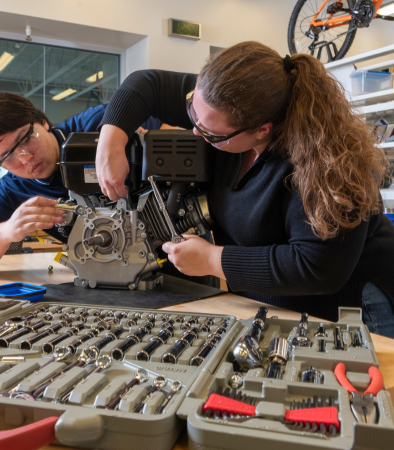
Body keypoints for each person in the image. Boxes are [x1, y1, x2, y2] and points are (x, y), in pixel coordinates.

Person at [94, 41, 394, 337]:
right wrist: (110, 142)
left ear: (262, 129)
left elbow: (317, 267)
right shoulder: (216, 103)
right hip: (273, 302)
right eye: (192, 111)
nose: (196, 130)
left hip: (349, 308)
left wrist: (212, 260)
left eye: (211, 133)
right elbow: (146, 84)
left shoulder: (330, 162)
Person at [0, 92, 163, 273]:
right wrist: (7, 231)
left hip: (176, 256)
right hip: (112, 276)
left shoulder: (100, 124)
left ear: (42, 121)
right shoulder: (13, 189)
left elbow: (181, 133)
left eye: (26, 139)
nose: (25, 157)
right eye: (8, 157)